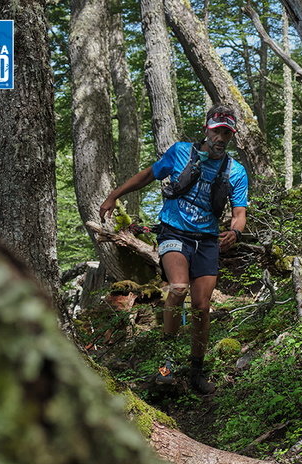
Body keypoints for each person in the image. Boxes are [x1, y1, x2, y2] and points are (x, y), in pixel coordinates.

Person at [99, 105, 248, 394]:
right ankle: (165, 365)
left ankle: (196, 371)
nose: (220, 138)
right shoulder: (180, 152)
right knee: (178, 288)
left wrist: (235, 231)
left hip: (207, 240)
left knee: (203, 308)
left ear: (231, 137)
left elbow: (239, 212)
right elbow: (147, 176)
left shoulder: (235, 171)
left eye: (226, 134)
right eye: (217, 131)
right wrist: (114, 195)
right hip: (174, 233)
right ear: (206, 129)